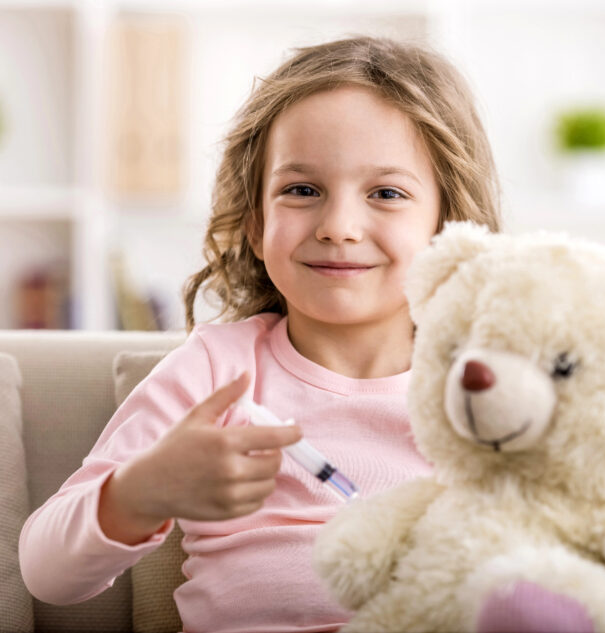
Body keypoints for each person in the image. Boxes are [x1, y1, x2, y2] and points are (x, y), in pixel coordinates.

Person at [18, 35, 502, 633]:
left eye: (386, 193)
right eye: (302, 190)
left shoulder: (493, 387)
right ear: (255, 222)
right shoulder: (217, 374)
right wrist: (141, 492)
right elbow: (45, 574)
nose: (339, 227)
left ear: (448, 225)